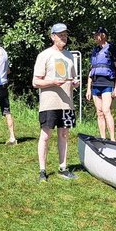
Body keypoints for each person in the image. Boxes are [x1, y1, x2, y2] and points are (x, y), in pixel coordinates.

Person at [32, 23, 80, 182]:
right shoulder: (44, 55)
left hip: (66, 103)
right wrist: (52, 82)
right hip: (49, 103)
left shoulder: (69, 56)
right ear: (53, 37)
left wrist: (75, 83)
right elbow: (35, 82)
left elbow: (71, 78)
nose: (63, 37)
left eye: (65, 35)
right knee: (45, 136)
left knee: (64, 134)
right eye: (60, 35)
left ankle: (63, 168)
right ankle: (42, 171)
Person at [86, 26, 116, 141]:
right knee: (99, 112)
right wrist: (88, 88)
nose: (94, 36)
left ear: (103, 35)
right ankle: (103, 138)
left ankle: (112, 139)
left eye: (97, 34)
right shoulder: (95, 50)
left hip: (107, 83)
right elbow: (92, 70)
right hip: (95, 84)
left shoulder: (112, 48)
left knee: (106, 110)